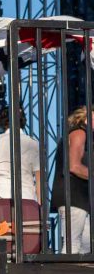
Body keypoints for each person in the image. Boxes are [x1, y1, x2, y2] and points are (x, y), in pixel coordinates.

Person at [0, 107, 41, 203]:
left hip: (1, 200)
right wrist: (40, 204)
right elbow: (39, 177)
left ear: (3, 122)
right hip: (27, 200)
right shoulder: (32, 143)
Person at [52, 106, 92, 254]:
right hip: (73, 198)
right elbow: (74, 166)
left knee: (85, 245)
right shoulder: (79, 132)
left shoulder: (81, 134)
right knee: (72, 246)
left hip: (78, 201)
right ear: (86, 118)